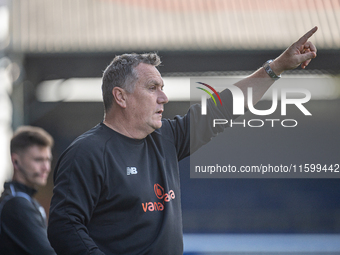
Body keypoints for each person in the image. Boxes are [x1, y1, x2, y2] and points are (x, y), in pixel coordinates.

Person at [48, 27, 318, 254]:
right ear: (120, 97)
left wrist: (278, 66)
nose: (163, 97)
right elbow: (64, 228)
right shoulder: (87, 152)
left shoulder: (165, 138)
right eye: (153, 88)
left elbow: (222, 109)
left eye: (162, 88)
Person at [0, 126, 56, 254]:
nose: (46, 168)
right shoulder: (16, 204)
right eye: (38, 160)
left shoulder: (25, 200)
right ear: (16, 161)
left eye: (48, 160)